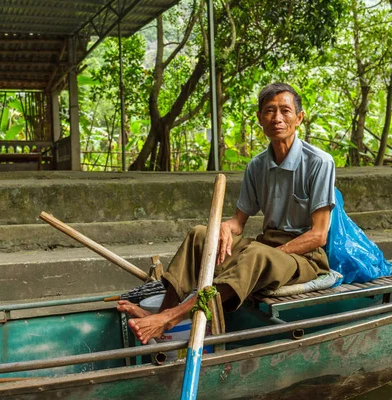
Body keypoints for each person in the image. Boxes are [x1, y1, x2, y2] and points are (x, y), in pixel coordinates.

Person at [118, 82, 336, 344]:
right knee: (201, 234)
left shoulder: (319, 162)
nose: (277, 118)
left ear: (299, 118)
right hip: (265, 246)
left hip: (304, 257)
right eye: (269, 111)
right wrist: (224, 228)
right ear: (259, 119)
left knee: (256, 253)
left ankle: (171, 318)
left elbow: (319, 235)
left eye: (285, 111)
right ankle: (164, 310)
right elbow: (238, 222)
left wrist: (273, 254)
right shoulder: (257, 165)